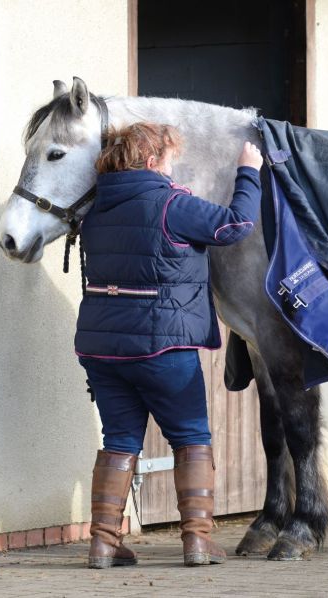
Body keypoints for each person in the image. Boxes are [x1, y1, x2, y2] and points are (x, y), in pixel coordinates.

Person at [73, 122, 263, 569]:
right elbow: (236, 225)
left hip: (102, 349)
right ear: (153, 160)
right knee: (191, 437)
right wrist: (248, 172)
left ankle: (103, 543)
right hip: (163, 349)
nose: (172, 165)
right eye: (170, 157)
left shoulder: (95, 209)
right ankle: (197, 541)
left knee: (119, 440)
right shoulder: (171, 204)